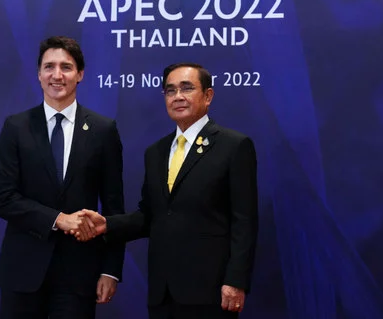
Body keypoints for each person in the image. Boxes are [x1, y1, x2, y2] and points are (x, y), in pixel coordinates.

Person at [74, 63, 258, 319]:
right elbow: (150, 216)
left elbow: (245, 221)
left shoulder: (234, 146)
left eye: (187, 88)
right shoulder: (156, 152)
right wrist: (107, 224)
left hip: (212, 290)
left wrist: (236, 280)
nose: (178, 97)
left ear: (208, 96)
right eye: (170, 91)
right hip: (163, 291)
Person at [0, 36, 125, 319]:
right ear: (39, 74)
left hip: (79, 275)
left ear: (80, 74)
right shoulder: (16, 127)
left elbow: (114, 208)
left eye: (66, 67)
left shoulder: (103, 130)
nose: (57, 75)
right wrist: (58, 219)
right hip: (23, 272)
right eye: (49, 67)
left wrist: (110, 270)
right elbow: (2, 199)